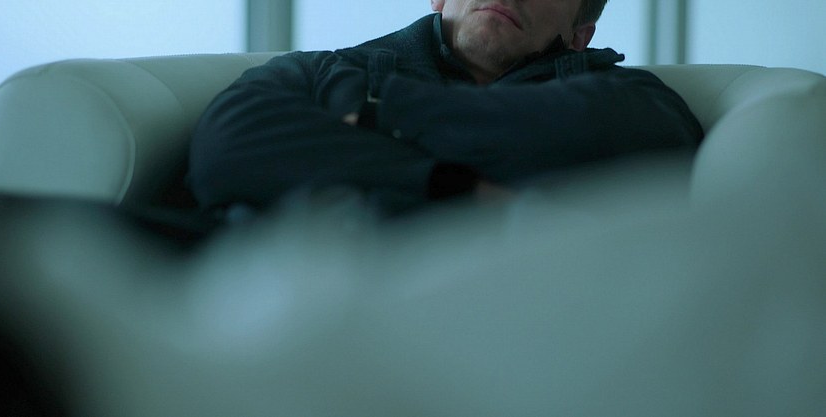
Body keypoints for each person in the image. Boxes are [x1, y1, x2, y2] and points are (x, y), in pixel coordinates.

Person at [187, 0, 703, 220]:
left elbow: (665, 138)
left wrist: (384, 112)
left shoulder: (628, 97)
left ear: (579, 35)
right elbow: (226, 147)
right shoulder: (320, 70)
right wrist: (454, 186)